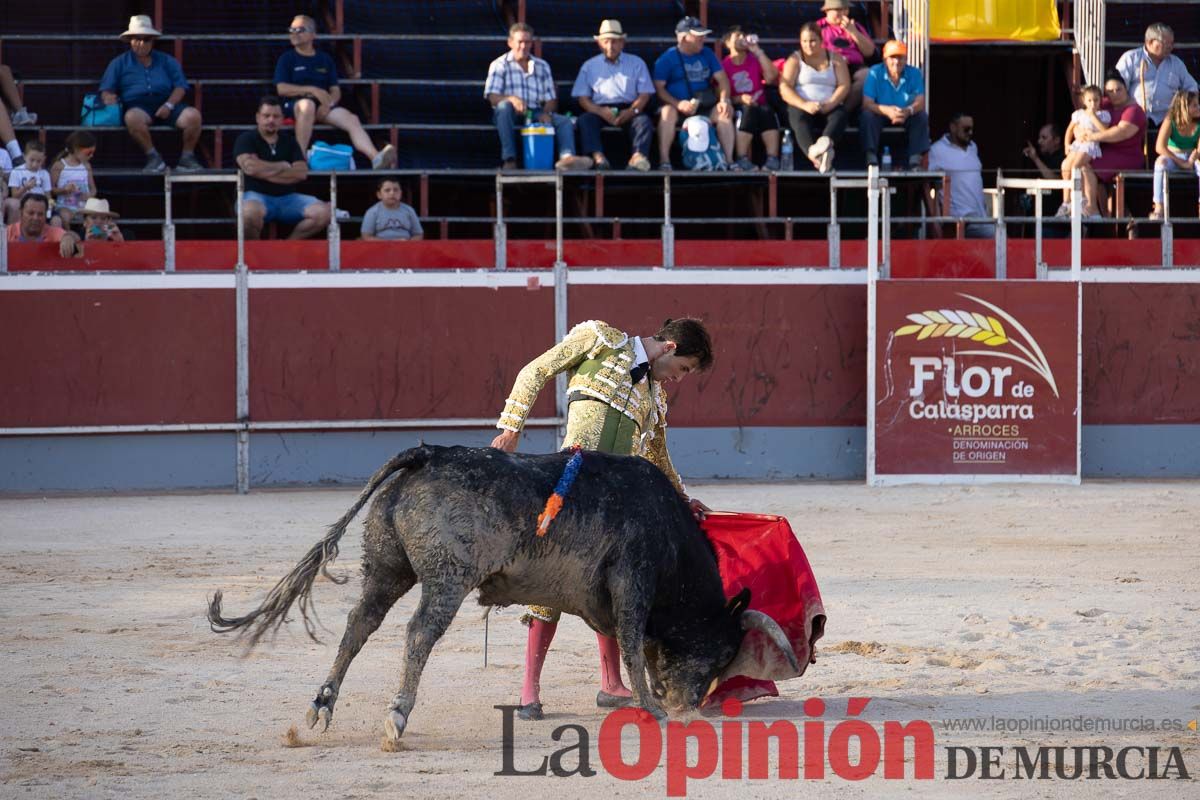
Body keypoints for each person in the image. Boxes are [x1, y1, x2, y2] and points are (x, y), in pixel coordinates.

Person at [490, 317, 715, 721]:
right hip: (569, 486)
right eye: (683, 369)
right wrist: (511, 426)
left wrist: (683, 500)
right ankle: (529, 690)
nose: (678, 380)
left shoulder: (655, 398)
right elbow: (536, 369)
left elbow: (659, 458)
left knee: (613, 588)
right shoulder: (600, 340)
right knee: (548, 584)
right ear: (668, 347)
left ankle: (611, 683)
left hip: (613, 503)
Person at [275, 15, 396, 170]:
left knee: (351, 119)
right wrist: (312, 90)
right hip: (296, 105)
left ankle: (375, 157)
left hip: (323, 106)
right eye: (291, 30)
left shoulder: (325, 59)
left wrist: (329, 104)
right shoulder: (287, 58)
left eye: (300, 30)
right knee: (307, 105)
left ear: (313, 35)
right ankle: (299, 158)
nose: (294, 33)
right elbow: (282, 88)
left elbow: (335, 90)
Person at [98, 15, 203, 173]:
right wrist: (108, 98)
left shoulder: (167, 60)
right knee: (131, 117)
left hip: (169, 104)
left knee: (193, 116)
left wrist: (169, 105)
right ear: (130, 41)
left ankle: (187, 158)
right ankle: (154, 157)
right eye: (136, 39)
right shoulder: (118, 63)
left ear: (152, 41)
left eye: (146, 39)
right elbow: (106, 89)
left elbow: (180, 86)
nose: (141, 43)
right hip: (138, 106)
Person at [485, 23, 592, 172]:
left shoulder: (542, 66)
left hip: (535, 111)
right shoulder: (499, 65)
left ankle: (567, 158)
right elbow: (492, 97)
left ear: (532, 43)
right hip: (510, 113)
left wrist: (546, 113)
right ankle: (509, 159)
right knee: (503, 108)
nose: (523, 46)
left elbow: (551, 98)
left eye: (527, 42)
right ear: (510, 43)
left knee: (564, 121)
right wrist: (511, 99)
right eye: (520, 42)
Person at [234, 95, 331, 240]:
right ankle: (255, 255)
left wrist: (263, 171)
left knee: (324, 213)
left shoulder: (290, 142)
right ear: (257, 117)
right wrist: (283, 166)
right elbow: (250, 168)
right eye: (266, 116)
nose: (271, 120)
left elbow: (301, 173)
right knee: (249, 213)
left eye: (276, 116)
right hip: (255, 196)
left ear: (282, 119)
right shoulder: (246, 138)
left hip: (288, 199)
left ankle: (286, 247)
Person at [571, 20, 655, 172]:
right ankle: (598, 158)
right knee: (585, 120)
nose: (610, 46)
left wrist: (631, 111)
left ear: (622, 43)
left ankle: (638, 157)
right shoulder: (589, 66)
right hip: (599, 109)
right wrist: (600, 111)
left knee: (643, 121)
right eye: (606, 41)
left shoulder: (637, 63)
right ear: (599, 43)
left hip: (630, 107)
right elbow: (583, 98)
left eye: (614, 41)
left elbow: (645, 94)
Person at [653, 16, 735, 169]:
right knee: (666, 112)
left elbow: (723, 80)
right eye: (698, 36)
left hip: (703, 105)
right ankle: (664, 161)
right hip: (678, 107)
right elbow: (659, 88)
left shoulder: (707, 54)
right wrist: (678, 104)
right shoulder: (667, 58)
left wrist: (724, 100)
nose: (702, 39)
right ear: (684, 38)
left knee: (724, 112)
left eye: (703, 35)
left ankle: (729, 161)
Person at [780, 22, 850, 173]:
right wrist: (804, 104)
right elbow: (785, 87)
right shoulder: (795, 59)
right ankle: (815, 156)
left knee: (840, 114)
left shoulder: (836, 59)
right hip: (803, 104)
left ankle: (825, 142)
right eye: (804, 41)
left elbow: (844, 85)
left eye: (812, 41)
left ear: (821, 41)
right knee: (797, 117)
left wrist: (830, 104)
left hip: (828, 104)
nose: (808, 45)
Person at [1077, 73, 1147, 219]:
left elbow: (1120, 133)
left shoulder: (1134, 111)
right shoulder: (1103, 104)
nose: (1114, 94)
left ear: (1126, 88)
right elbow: (1083, 117)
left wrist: (1091, 136)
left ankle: (1092, 209)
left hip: (1127, 155)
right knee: (1076, 160)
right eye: (1110, 91)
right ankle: (1077, 205)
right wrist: (1080, 132)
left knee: (1086, 164)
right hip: (1104, 151)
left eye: (1118, 89)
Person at [861, 40, 929, 168]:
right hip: (880, 113)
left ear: (906, 58)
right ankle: (871, 157)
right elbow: (867, 103)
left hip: (905, 113)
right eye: (892, 57)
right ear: (884, 58)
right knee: (867, 116)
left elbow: (920, 102)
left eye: (900, 57)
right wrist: (887, 111)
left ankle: (915, 160)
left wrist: (908, 111)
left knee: (921, 116)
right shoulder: (875, 72)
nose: (897, 62)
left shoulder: (914, 73)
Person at [721, 26, 781, 171]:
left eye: (743, 36)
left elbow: (772, 76)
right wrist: (741, 99)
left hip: (760, 105)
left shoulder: (754, 60)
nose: (742, 39)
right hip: (740, 106)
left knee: (767, 111)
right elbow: (722, 95)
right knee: (747, 112)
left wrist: (757, 51)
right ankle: (742, 158)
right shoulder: (724, 65)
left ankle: (772, 159)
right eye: (737, 36)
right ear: (728, 43)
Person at [1115, 23, 1198, 128]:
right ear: (1150, 42)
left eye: (1172, 43)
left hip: (1168, 119)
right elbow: (1117, 88)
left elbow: (1192, 88)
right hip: (1135, 117)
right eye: (1166, 43)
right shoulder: (1131, 58)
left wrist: (1182, 104)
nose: (1170, 47)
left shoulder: (1176, 63)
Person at [928, 112, 992, 238]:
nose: (970, 133)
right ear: (953, 127)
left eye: (972, 129)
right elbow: (928, 183)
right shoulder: (937, 150)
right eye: (966, 129)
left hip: (980, 217)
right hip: (960, 219)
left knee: (1000, 234)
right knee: (998, 237)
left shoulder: (973, 147)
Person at [1057, 85, 1110, 217]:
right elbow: (1070, 130)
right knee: (1065, 166)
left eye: (1096, 100)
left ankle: (1080, 198)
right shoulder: (1078, 114)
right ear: (1084, 101)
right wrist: (1066, 144)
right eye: (1090, 100)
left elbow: (1105, 131)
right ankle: (1066, 201)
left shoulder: (1103, 115)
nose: (1093, 104)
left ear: (1100, 101)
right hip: (1077, 145)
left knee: (1076, 166)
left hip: (1090, 146)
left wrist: (1093, 117)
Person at [816, 0, 875, 111]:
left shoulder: (855, 26)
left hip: (854, 65)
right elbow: (810, 51)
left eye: (844, 9)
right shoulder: (818, 27)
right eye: (837, 10)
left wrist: (853, 32)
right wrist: (836, 59)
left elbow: (869, 52)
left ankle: (843, 110)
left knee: (868, 76)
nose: (842, 13)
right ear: (827, 11)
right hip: (829, 65)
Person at [1150, 90, 1200, 220]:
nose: (1198, 107)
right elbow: (1159, 146)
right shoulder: (1171, 120)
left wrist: (1191, 160)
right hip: (1173, 155)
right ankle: (1159, 206)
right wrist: (1181, 162)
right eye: (1194, 105)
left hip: (1193, 156)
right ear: (1184, 107)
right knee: (1160, 164)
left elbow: (1198, 149)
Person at [6, 193, 83, 258]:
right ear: (21, 213)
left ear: (46, 215)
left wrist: (69, 237)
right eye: (31, 213)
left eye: (40, 214)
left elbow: (74, 237)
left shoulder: (52, 232)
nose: (35, 218)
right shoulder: (7, 233)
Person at [49, 131, 98, 230]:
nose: (91, 156)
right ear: (77, 149)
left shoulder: (86, 166)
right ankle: (68, 236)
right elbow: (50, 189)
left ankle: (93, 238)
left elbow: (93, 189)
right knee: (64, 216)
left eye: (93, 153)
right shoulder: (59, 165)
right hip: (65, 205)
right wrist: (64, 190)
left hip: (84, 206)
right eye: (89, 153)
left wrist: (90, 195)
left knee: (98, 215)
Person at [3, 140, 51, 224]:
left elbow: (48, 196)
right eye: (31, 160)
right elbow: (14, 195)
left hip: (39, 205)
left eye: (39, 161)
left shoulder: (44, 174)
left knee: (54, 219)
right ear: (24, 156)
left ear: (44, 159)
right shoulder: (16, 171)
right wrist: (25, 188)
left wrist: (49, 207)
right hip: (22, 203)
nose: (35, 164)